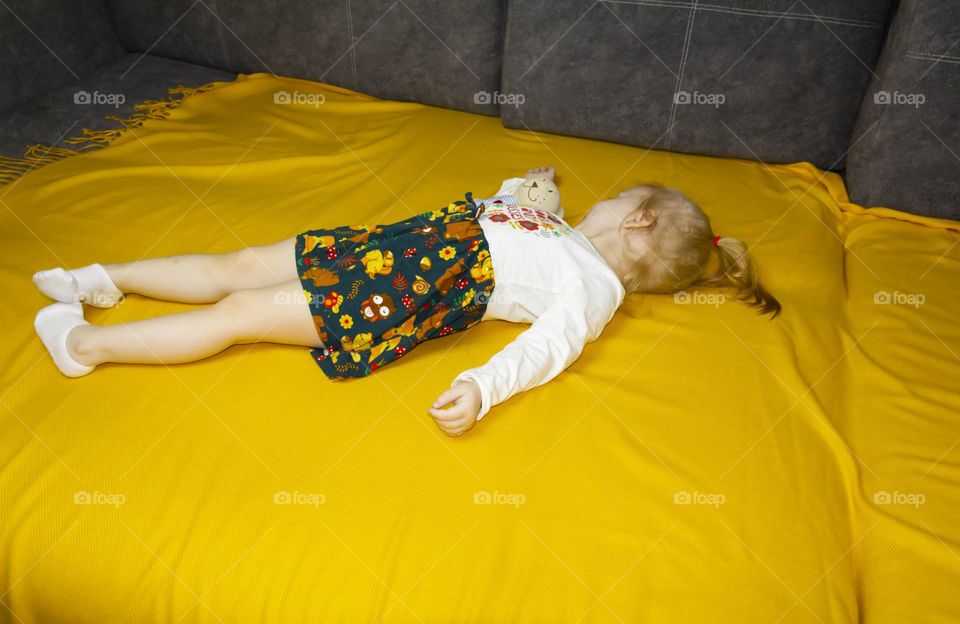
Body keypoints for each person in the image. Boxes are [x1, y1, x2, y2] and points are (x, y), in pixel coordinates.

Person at [32, 165, 780, 435]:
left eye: (617, 198)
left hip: (398, 292)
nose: (601, 198)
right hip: (378, 248)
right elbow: (515, 202)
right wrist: (534, 190)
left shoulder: (592, 288)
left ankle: (81, 347)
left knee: (243, 315)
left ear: (638, 220)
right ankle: (106, 279)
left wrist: (480, 386)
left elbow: (545, 348)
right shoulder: (555, 225)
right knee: (243, 262)